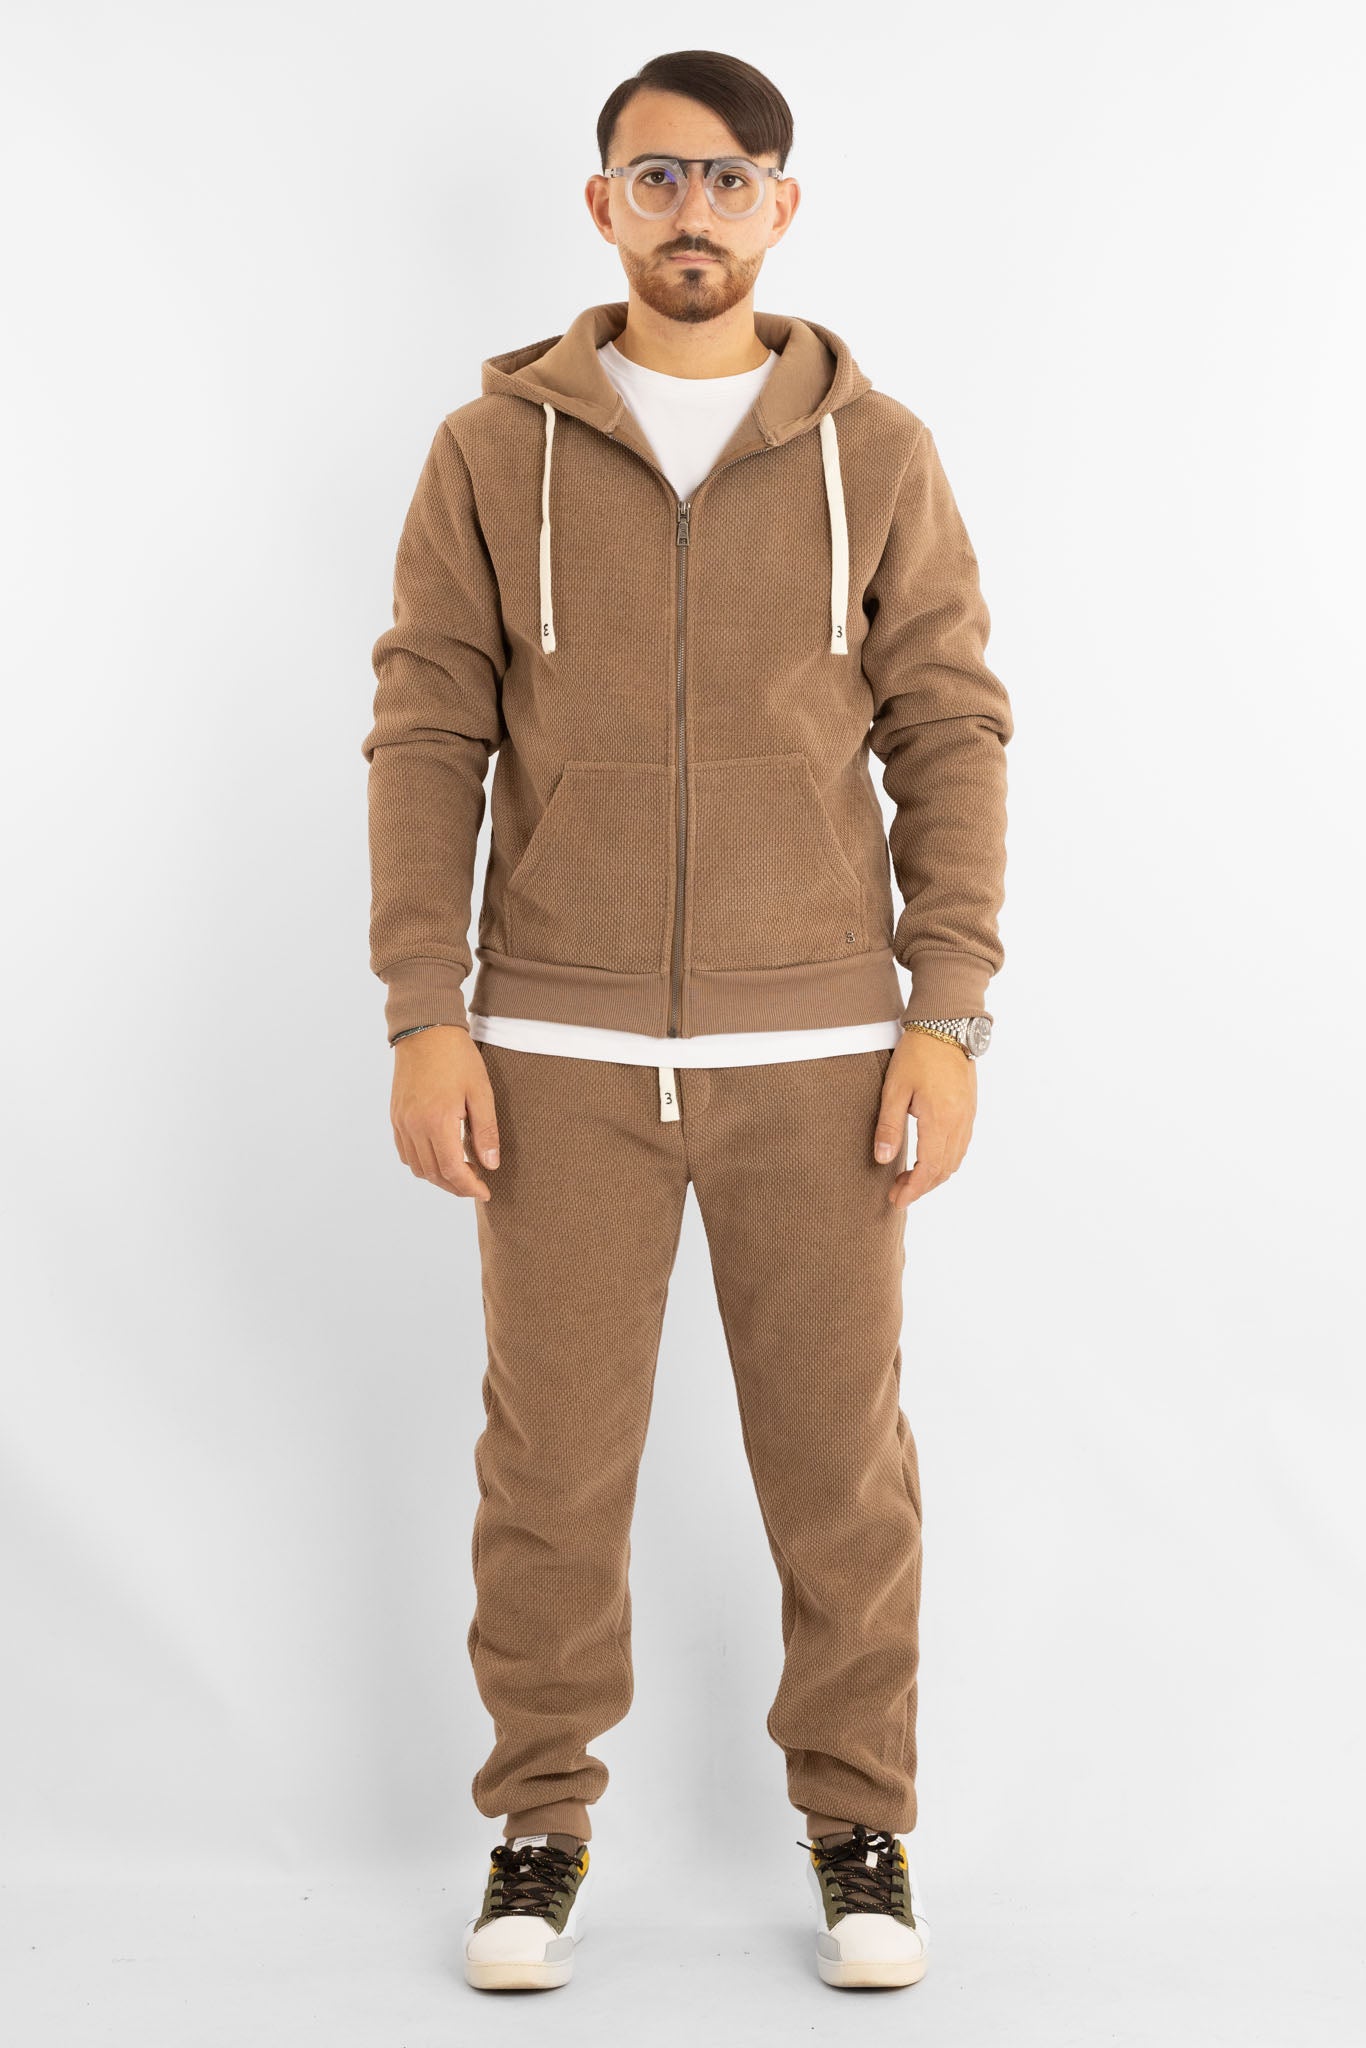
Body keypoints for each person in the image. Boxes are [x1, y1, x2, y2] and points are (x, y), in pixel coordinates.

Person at [360, 48, 1012, 1995]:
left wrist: (946, 1008)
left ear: (781, 206)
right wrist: (423, 1006)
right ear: (602, 205)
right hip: (553, 1055)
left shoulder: (875, 451)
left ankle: (859, 1824)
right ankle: (537, 1825)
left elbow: (948, 728)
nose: (693, 211)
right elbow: (427, 728)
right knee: (549, 1468)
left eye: (730, 178)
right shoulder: (491, 451)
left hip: (818, 1058)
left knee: (839, 1470)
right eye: (656, 177)